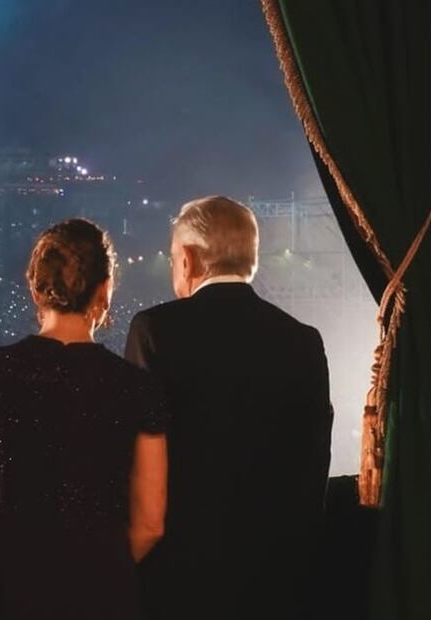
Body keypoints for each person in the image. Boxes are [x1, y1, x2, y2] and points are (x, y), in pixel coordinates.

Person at [0, 218, 168, 619]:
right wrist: (89, 569)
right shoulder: (137, 388)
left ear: (35, 288)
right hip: (97, 587)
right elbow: (150, 524)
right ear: (104, 291)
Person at [124, 196, 333, 620]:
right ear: (251, 258)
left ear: (188, 259)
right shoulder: (302, 339)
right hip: (278, 577)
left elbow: (137, 448)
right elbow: (314, 462)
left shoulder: (155, 331)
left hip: (180, 576)